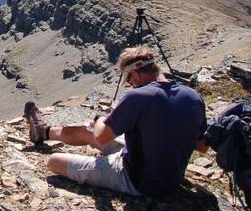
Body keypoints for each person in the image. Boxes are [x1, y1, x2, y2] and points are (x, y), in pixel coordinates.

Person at [23, 47, 208, 197]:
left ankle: (54, 139)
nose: (130, 84)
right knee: (84, 130)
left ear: (135, 75)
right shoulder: (193, 96)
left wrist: (102, 119)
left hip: (138, 179)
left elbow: (102, 138)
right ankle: (44, 132)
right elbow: (202, 146)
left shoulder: (138, 96)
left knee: (54, 161)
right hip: (172, 177)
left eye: (129, 80)